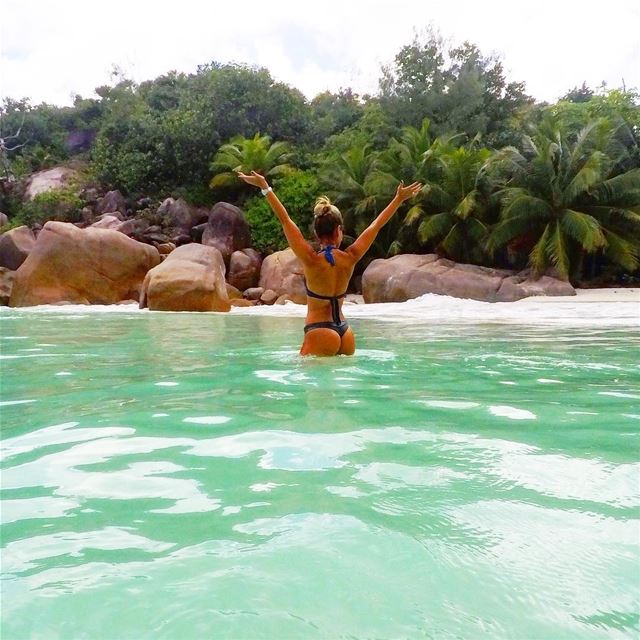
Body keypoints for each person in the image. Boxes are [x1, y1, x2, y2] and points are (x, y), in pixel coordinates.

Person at [237, 170, 422, 356]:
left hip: (320, 330)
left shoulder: (311, 259)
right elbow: (376, 225)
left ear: (316, 234)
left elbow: (285, 219)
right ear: (339, 230)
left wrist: (265, 187)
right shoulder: (351, 256)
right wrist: (398, 199)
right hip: (346, 333)